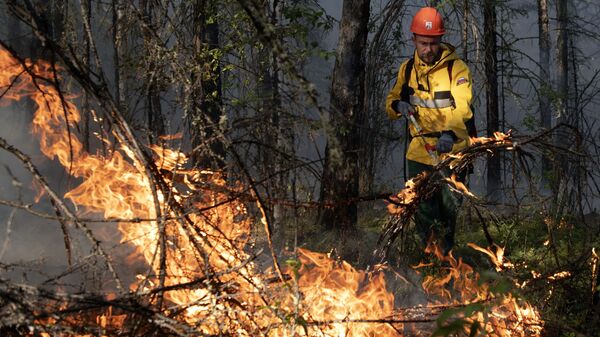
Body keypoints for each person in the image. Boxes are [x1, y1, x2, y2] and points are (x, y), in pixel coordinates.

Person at [385, 7, 476, 255]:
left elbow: (462, 108)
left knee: (448, 209)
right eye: (423, 43)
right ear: (413, 39)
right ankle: (429, 259)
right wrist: (397, 105)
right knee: (423, 209)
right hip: (418, 153)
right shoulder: (407, 70)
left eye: (433, 43)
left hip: (452, 151)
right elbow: (392, 100)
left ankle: (446, 261)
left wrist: (449, 134)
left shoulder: (456, 70)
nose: (428, 49)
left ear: (440, 40)